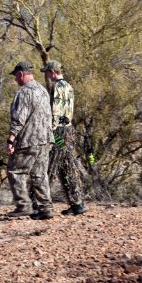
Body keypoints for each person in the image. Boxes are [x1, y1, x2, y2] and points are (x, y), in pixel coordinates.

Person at [6, 61, 55, 220]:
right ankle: (45, 208)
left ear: (21, 74)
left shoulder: (24, 92)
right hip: (46, 140)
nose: (15, 80)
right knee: (40, 174)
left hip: (29, 140)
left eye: (16, 76)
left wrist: (11, 140)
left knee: (15, 170)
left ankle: (23, 205)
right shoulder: (43, 90)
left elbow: (19, 119)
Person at [41, 60, 86, 215]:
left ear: (53, 71)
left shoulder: (58, 88)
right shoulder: (68, 86)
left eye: (47, 72)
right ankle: (77, 204)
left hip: (59, 132)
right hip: (69, 130)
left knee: (50, 166)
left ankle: (41, 205)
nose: (46, 75)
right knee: (68, 166)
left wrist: (51, 131)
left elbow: (56, 112)